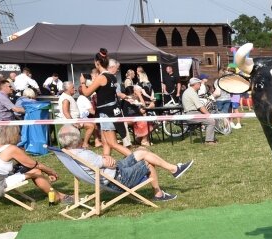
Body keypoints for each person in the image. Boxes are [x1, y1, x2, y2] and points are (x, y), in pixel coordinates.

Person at [58, 125, 192, 202]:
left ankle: (174, 169)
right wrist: (106, 159)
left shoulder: (68, 152)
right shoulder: (84, 154)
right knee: (147, 163)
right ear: (77, 140)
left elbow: (105, 162)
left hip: (113, 173)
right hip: (118, 179)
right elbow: (110, 163)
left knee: (141, 151)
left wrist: (105, 159)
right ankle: (159, 193)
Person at [0, 125, 72, 203]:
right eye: (18, 133)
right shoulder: (11, 149)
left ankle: (59, 195)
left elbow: (26, 164)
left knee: (32, 170)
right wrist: (50, 171)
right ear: (12, 134)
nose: (20, 135)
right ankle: (57, 197)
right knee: (36, 172)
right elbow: (33, 164)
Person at [79, 49, 132, 158]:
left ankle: (138, 159)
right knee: (106, 142)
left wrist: (83, 82)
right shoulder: (112, 76)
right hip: (112, 110)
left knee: (112, 143)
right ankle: (106, 163)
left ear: (97, 63)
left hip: (105, 113)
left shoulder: (101, 77)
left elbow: (86, 93)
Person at [57, 81, 96, 149]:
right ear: (67, 89)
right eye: (72, 87)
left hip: (76, 120)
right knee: (91, 126)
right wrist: (74, 123)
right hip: (71, 121)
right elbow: (66, 112)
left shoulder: (68, 96)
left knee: (92, 125)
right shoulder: (66, 98)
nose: (74, 89)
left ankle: (87, 142)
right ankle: (85, 144)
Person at [182, 77, 216, 144]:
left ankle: (209, 139)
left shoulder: (189, 91)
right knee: (211, 121)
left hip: (191, 113)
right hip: (192, 114)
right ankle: (209, 141)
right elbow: (200, 106)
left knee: (210, 120)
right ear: (196, 84)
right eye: (199, 84)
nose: (200, 85)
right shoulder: (191, 92)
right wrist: (208, 114)